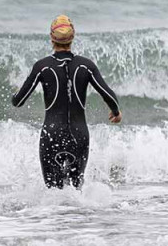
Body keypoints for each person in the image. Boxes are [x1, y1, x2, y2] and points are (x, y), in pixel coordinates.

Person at [11, 15, 123, 189]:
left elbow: (18, 102)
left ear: (51, 37)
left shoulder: (42, 66)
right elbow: (108, 94)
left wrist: (16, 92)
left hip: (51, 135)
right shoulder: (86, 66)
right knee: (76, 192)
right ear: (73, 36)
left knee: (53, 194)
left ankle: (56, 217)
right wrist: (116, 113)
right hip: (79, 135)